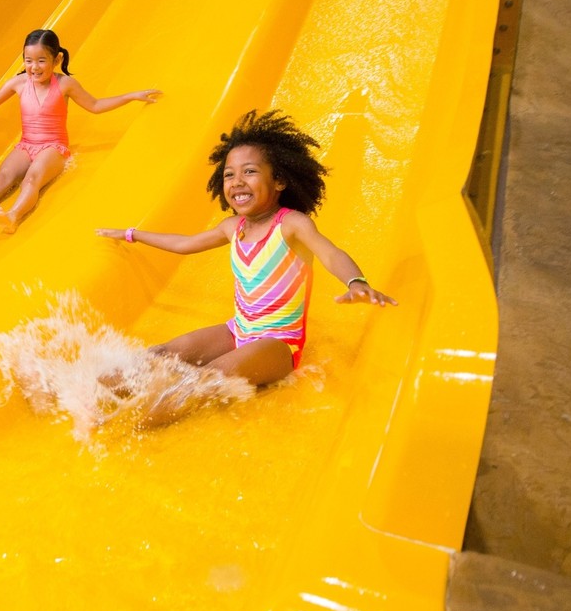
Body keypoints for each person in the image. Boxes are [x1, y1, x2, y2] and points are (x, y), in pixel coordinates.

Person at [96, 109, 396, 427]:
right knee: (163, 353)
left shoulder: (292, 225)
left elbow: (331, 253)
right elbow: (184, 243)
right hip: (238, 330)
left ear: (279, 179)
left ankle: (127, 430)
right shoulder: (232, 227)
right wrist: (132, 234)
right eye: (229, 174)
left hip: (278, 345)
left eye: (250, 172)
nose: (237, 182)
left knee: (205, 379)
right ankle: (92, 397)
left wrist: (356, 282)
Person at [0, 29, 160, 233]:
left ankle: (12, 217)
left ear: (57, 60)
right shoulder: (19, 82)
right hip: (27, 144)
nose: (34, 67)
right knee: (2, 177)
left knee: (31, 178)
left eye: (41, 60)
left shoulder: (65, 84)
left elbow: (95, 106)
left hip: (54, 147)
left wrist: (130, 96)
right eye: (28, 61)